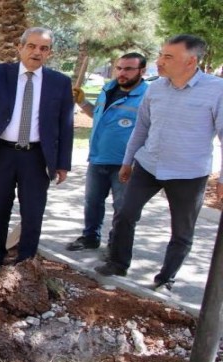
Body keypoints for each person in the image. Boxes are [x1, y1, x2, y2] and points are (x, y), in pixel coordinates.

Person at [94, 34, 223, 291]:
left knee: (182, 231)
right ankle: (118, 263)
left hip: (188, 174)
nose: (160, 61)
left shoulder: (216, 90)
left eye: (168, 57)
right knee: (125, 214)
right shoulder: (155, 88)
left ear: (190, 61)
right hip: (148, 166)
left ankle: (166, 278)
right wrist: (128, 161)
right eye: (161, 54)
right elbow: (141, 129)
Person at [0, 27, 74, 271]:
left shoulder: (60, 82)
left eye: (43, 48)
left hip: (36, 157)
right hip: (1, 153)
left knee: (33, 213)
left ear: (49, 53)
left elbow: (66, 126)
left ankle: (26, 263)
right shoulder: (0, 73)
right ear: (20, 48)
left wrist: (63, 163)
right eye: (31, 46)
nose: (37, 52)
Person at [66, 53, 149, 251]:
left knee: (122, 209)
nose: (122, 73)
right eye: (119, 68)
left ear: (142, 71)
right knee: (92, 202)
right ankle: (90, 237)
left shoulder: (148, 97)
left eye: (128, 69)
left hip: (125, 164)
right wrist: (83, 103)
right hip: (98, 158)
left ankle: (116, 246)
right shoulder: (108, 89)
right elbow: (98, 116)